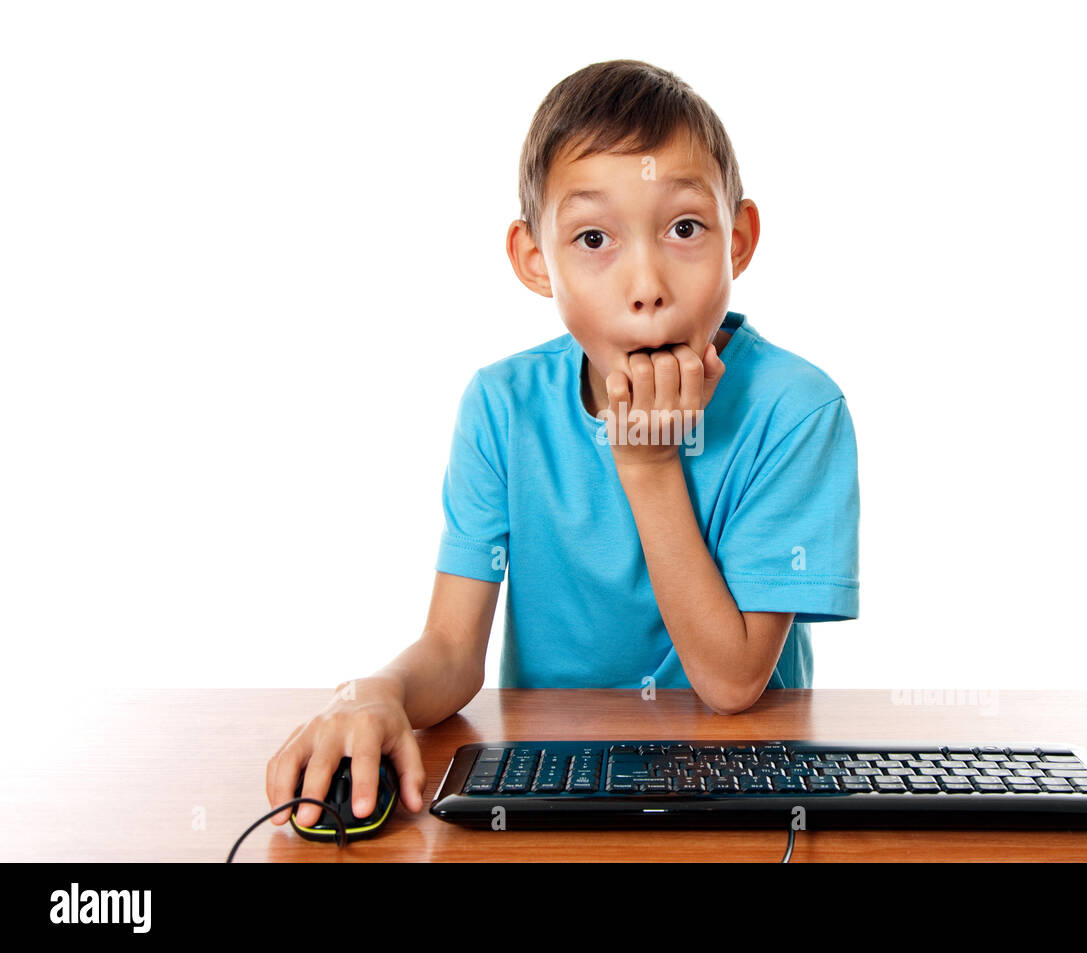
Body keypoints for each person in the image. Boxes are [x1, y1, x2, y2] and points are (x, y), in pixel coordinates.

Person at [267, 59, 860, 828]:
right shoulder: (501, 406)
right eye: (593, 238)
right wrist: (377, 691)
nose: (646, 283)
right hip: (548, 787)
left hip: (738, 790)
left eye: (686, 228)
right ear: (534, 260)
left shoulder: (797, 411)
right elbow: (451, 649)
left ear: (739, 239)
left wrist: (647, 464)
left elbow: (732, 682)